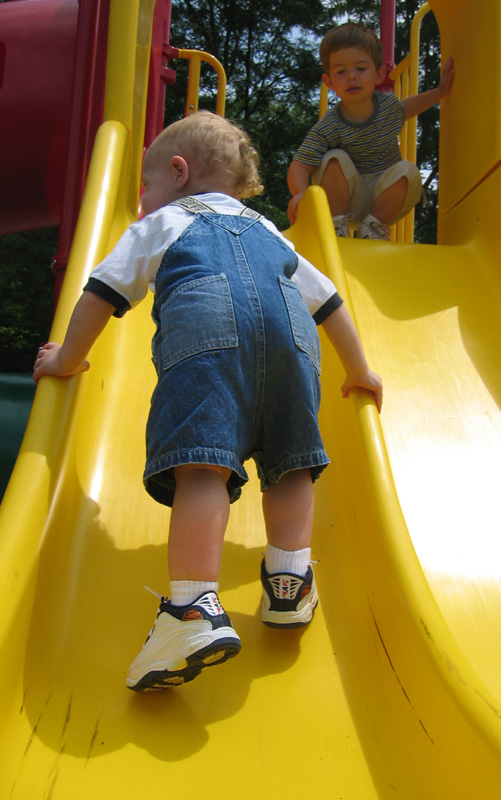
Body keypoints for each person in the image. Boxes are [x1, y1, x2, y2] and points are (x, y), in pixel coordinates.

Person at [33, 110, 383, 693]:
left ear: (178, 171)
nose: (143, 198)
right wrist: (360, 370)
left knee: (204, 465)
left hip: (208, 334)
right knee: (292, 462)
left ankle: (193, 611)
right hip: (295, 345)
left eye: (146, 185)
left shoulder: (165, 221)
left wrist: (66, 357)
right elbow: (329, 303)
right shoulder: (269, 231)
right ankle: (289, 582)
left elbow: (102, 292)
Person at [287, 22, 454, 240]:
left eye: (361, 69)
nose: (351, 76)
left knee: (409, 170)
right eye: (341, 71)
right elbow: (299, 165)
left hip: (383, 198)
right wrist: (300, 195)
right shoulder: (329, 125)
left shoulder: (388, 107)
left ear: (378, 74)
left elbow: (410, 107)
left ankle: (372, 227)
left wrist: (441, 91)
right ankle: (336, 224)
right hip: (347, 198)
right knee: (333, 158)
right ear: (329, 82)